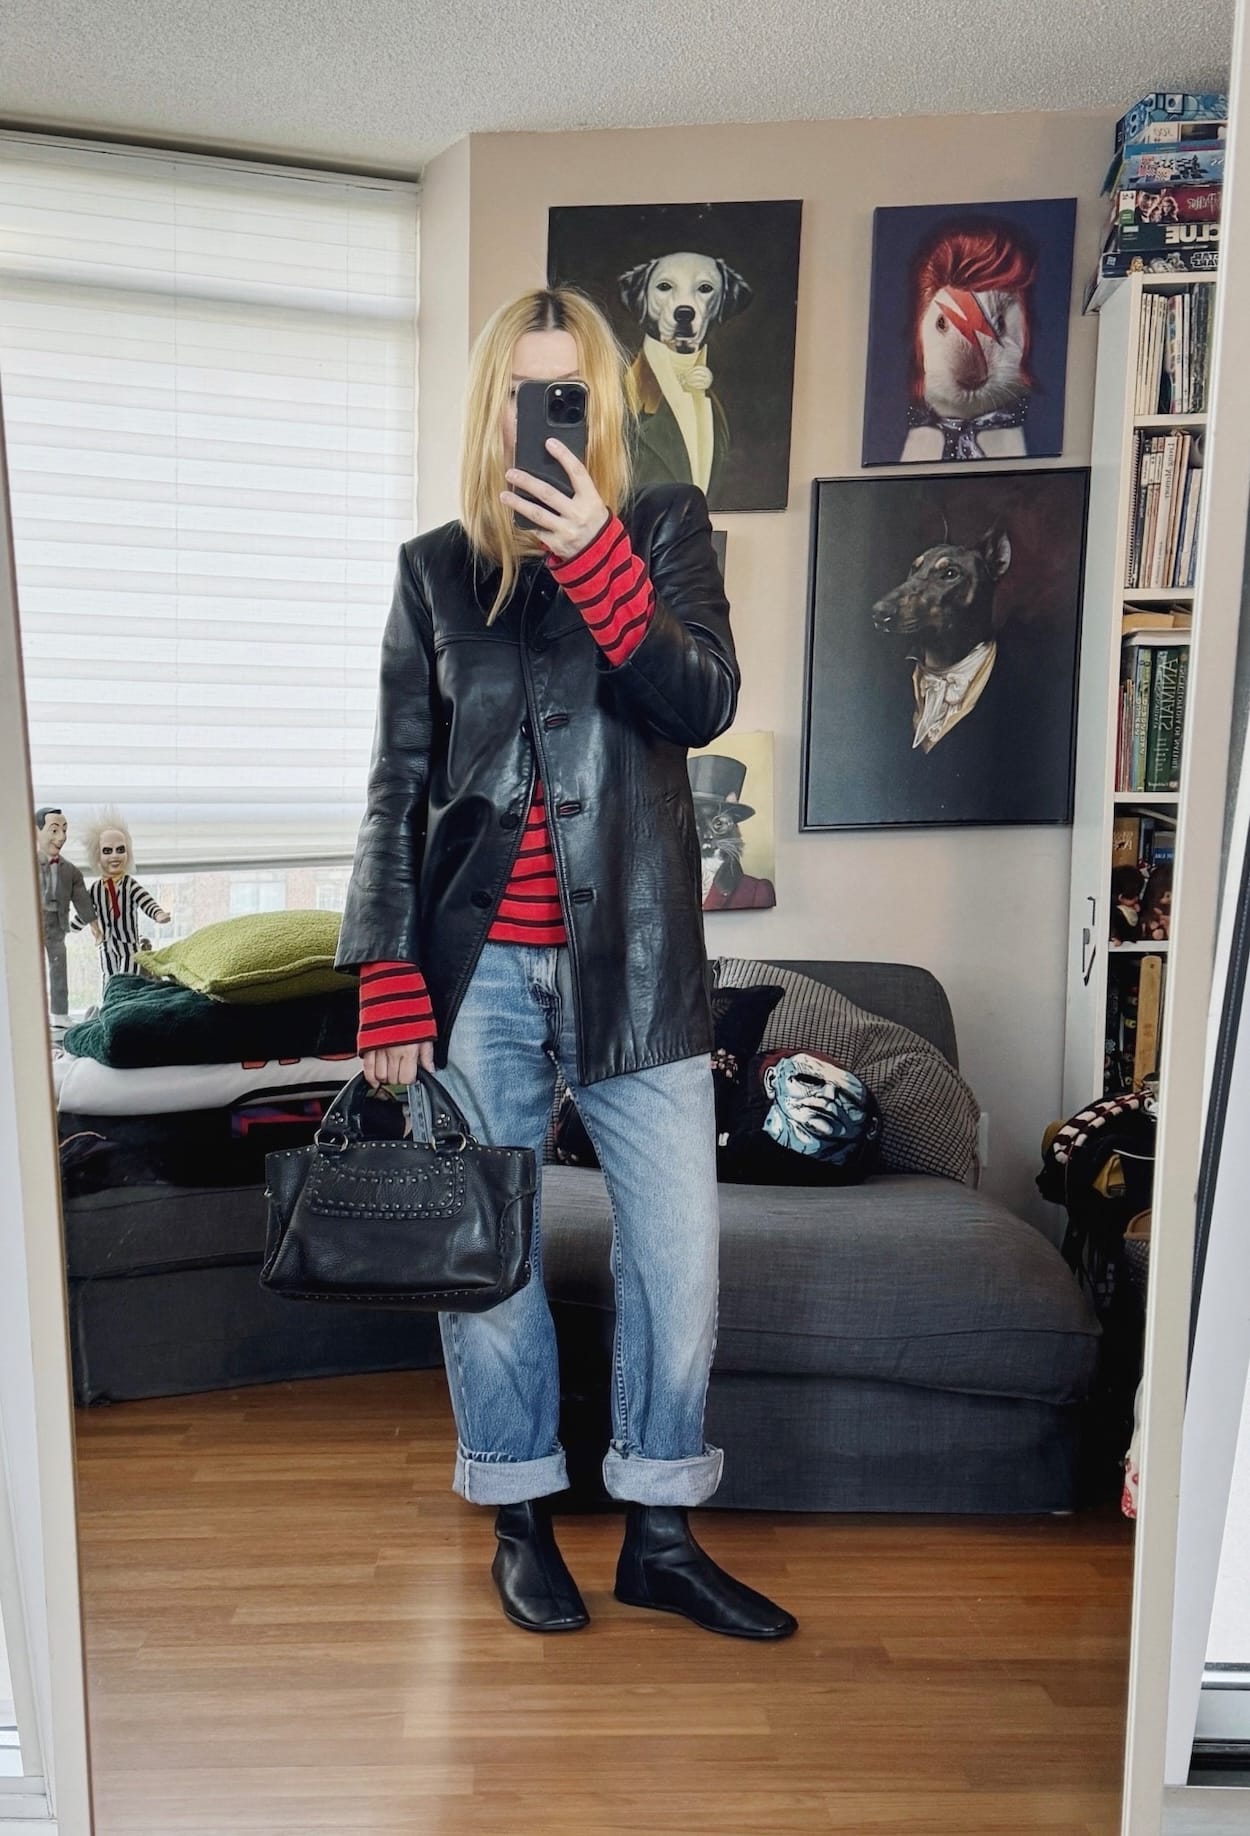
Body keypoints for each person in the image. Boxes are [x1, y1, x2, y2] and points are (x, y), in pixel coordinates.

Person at [335, 287, 796, 1641]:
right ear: (491, 408)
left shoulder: (663, 531)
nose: (543, 420)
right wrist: (384, 971)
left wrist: (599, 555)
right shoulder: (432, 571)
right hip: (471, 970)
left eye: (570, 395)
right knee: (489, 1258)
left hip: (636, 961)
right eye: (522, 393)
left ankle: (658, 1532)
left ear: (602, 408)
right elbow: (394, 787)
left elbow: (698, 700)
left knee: (677, 1257)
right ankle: (521, 1514)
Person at [34, 805, 99, 1034]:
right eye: (54, 830)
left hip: (56, 924)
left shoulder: (70, 871)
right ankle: (29, 1013)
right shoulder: (24, 865)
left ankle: (59, 1014)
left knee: (58, 967)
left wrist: (93, 923)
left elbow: (81, 898)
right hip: (31, 924)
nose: (61, 837)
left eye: (64, 830)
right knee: (30, 969)